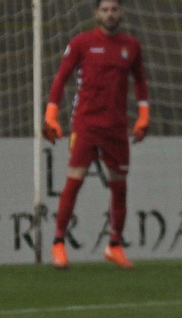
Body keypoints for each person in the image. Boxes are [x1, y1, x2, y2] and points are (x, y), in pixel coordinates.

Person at [43, 0, 150, 270]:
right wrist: (51, 115)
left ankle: (114, 246)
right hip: (86, 124)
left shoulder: (132, 46)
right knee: (75, 180)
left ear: (121, 12)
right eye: (104, 10)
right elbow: (61, 77)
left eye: (114, 9)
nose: (110, 14)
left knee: (119, 186)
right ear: (95, 14)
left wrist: (144, 115)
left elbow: (140, 81)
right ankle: (58, 243)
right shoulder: (82, 43)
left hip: (115, 126)